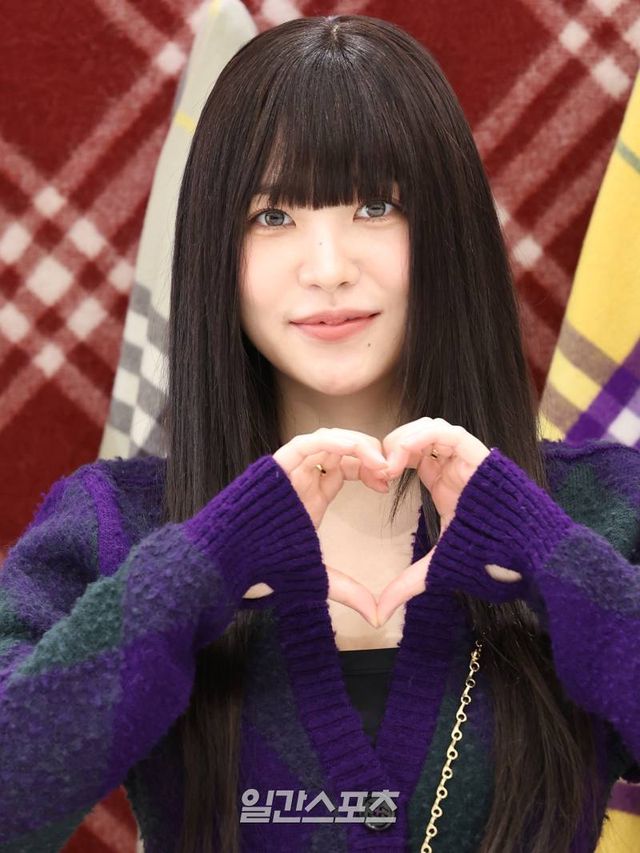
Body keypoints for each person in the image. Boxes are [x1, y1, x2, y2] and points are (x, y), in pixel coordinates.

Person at [0, 13, 638, 853]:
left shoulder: (602, 507)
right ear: (213, 250)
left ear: (450, 232)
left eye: (376, 205)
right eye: (272, 216)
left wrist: (551, 556)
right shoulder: (116, 525)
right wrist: (199, 567)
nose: (329, 266)